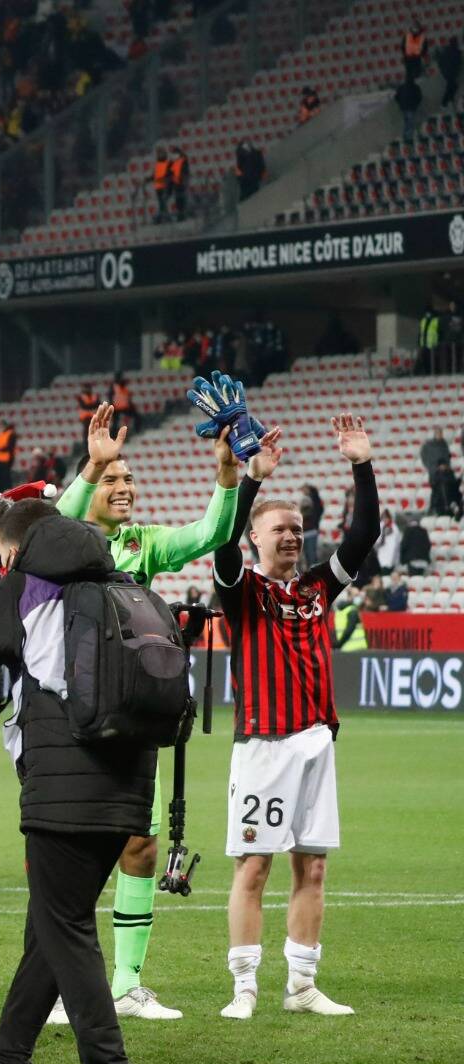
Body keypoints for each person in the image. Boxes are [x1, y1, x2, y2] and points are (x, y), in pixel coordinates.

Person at [0, 499, 158, 1064]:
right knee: (49, 932)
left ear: (12, 551)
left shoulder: (29, 590)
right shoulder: (119, 584)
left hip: (65, 788)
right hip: (129, 785)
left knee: (65, 929)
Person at [48, 402, 240, 1020]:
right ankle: (52, 987)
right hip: (68, 725)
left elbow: (209, 535)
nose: (124, 487)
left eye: (128, 478)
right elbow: (50, 528)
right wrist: (90, 467)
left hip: (131, 723)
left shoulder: (142, 545)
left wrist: (228, 481)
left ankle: (127, 982)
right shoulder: (65, 547)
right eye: (112, 479)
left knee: (141, 846)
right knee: (68, 854)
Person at [215, 415, 378, 1021]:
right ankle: (245, 988)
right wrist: (252, 482)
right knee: (253, 865)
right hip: (263, 744)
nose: (292, 537)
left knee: (313, 864)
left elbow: (362, 537)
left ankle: (303, 985)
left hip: (316, 742)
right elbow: (221, 545)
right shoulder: (241, 591)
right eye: (280, 529)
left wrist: (360, 465)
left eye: (298, 529)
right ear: (256, 538)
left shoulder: (314, 588)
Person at [0, 420, 17, 491]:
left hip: (6, 459)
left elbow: (10, 446)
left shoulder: (10, 433)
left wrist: (1, 449)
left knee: (6, 479)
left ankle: (7, 492)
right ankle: (0, 493)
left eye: (1, 425)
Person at [439, 35, 461, 106]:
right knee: (452, 86)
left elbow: (441, 61)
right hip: (452, 72)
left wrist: (442, 69)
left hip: (446, 72)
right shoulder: (457, 52)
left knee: (452, 86)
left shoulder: (445, 50)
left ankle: (449, 100)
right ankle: (445, 102)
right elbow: (458, 63)